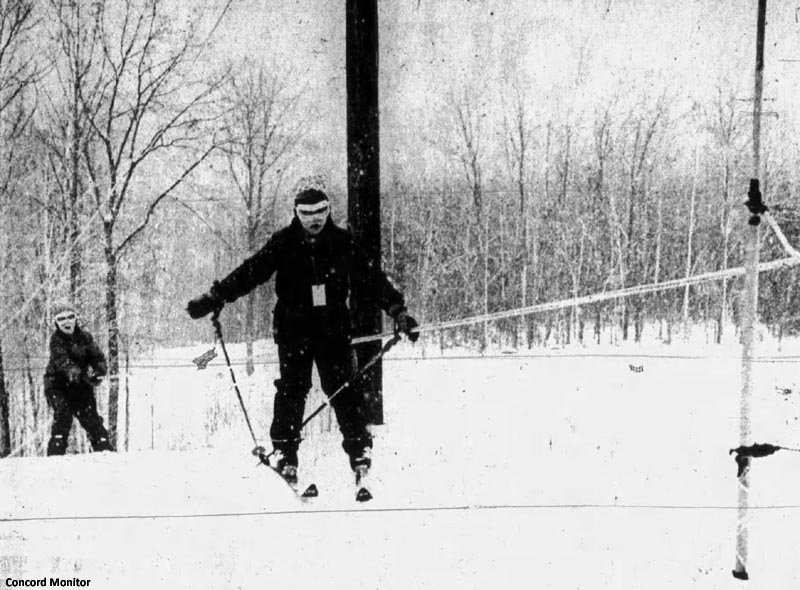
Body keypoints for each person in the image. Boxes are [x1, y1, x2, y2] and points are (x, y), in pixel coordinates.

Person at [187, 186, 418, 488]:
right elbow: (251, 272)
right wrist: (215, 297)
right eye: (307, 214)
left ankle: (360, 450)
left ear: (328, 211)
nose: (315, 220)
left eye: (321, 212)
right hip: (293, 330)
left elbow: (372, 278)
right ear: (297, 213)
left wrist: (398, 311)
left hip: (332, 330)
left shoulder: (342, 242)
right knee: (292, 391)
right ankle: (285, 454)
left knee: (343, 388)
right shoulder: (284, 243)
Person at [44, 303, 114, 456]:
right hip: (58, 386)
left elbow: (98, 357)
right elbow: (64, 364)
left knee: (92, 420)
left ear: (76, 319)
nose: (67, 322)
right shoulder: (56, 341)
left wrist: (99, 371)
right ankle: (54, 459)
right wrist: (85, 376)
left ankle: (107, 456)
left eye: (70, 316)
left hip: (81, 387)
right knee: (63, 417)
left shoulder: (85, 337)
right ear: (56, 322)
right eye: (61, 319)